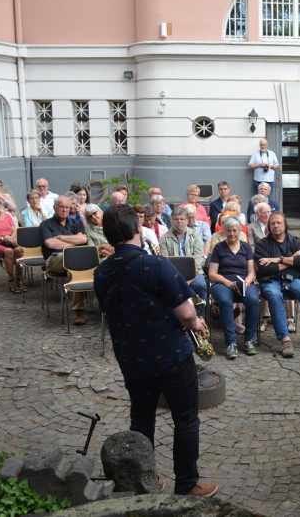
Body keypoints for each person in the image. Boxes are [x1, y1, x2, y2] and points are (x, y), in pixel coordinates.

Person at [93, 204, 217, 498]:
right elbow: (187, 315)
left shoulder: (101, 273)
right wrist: (197, 322)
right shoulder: (156, 264)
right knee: (185, 419)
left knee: (141, 418)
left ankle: (143, 481)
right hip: (171, 356)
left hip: (131, 359)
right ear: (138, 230)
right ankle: (187, 484)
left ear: (108, 235)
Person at [254, 212, 300, 357]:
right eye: (273, 223)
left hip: (292, 279)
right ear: (269, 226)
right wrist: (291, 260)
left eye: (279, 223)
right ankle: (285, 339)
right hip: (270, 280)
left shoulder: (296, 241)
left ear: (285, 225)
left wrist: (277, 259)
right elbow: (265, 269)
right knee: (273, 295)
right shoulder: (261, 244)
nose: (276, 226)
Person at [208, 216, 260, 359]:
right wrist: (226, 282)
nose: (232, 234)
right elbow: (212, 274)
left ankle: (249, 339)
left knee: (253, 299)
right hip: (222, 283)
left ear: (239, 231)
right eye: (229, 231)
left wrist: (247, 283)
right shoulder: (219, 248)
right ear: (224, 232)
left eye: (235, 230)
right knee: (225, 301)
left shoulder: (246, 247)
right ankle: (231, 342)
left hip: (244, 282)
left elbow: (251, 272)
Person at [40, 196, 88, 324]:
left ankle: (79, 312)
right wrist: (74, 241)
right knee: (73, 261)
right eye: (61, 207)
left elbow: (83, 239)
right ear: (54, 208)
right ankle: (79, 311)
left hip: (73, 259)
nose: (65, 210)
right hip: (54, 259)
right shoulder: (46, 224)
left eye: (67, 207)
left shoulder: (75, 223)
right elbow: (50, 244)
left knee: (74, 269)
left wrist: (60, 238)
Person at [158, 207, 206, 316]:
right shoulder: (164, 238)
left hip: (194, 272)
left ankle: (199, 317)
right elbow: (165, 259)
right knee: (168, 286)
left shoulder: (195, 235)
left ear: (187, 220)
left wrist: (189, 272)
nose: (179, 221)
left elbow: (198, 257)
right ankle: (176, 318)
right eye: (176, 219)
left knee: (200, 284)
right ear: (171, 221)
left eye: (182, 219)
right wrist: (177, 274)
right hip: (173, 273)